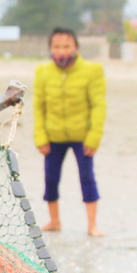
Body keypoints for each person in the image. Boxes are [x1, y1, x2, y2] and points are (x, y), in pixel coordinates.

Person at [32, 27, 106, 236]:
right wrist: (40, 137)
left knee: (87, 177)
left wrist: (94, 138)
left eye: (66, 46)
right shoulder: (43, 71)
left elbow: (98, 106)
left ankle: (92, 225)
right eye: (56, 46)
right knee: (51, 178)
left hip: (82, 136)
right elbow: (39, 107)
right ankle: (54, 221)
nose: (62, 51)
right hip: (53, 136)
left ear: (76, 47)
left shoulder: (92, 71)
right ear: (50, 49)